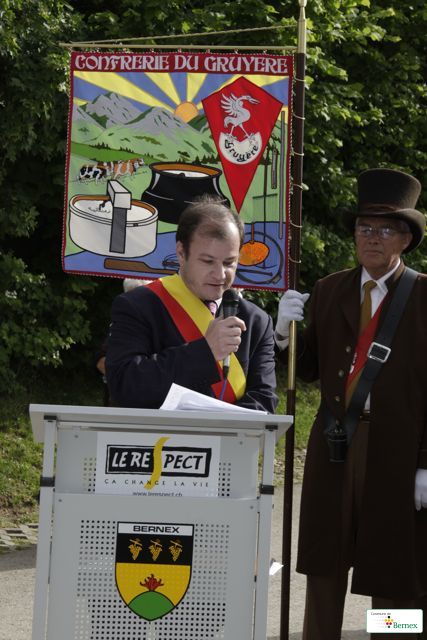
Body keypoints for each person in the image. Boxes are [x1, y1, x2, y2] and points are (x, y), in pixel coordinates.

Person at [275, 168, 427, 639]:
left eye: (385, 229)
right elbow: (309, 368)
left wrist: (426, 464)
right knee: (325, 562)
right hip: (335, 442)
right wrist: (285, 336)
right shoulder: (330, 289)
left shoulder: (423, 295)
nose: (372, 238)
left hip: (400, 449)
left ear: (405, 239)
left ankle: (392, 636)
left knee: (394, 570)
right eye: (364, 227)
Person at [105, 196, 278, 413]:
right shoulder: (138, 306)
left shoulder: (256, 321)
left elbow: (264, 401)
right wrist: (205, 352)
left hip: (230, 436)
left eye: (229, 263)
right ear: (181, 253)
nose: (220, 274)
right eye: (207, 261)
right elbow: (125, 385)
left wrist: (217, 428)